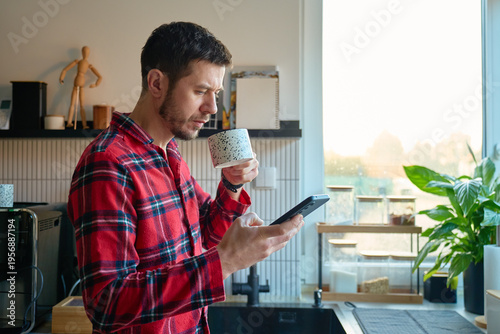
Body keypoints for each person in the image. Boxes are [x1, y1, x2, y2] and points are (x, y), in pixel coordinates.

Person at [67, 22, 304, 334]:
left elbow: (204, 235)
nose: (211, 108)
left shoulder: (170, 153)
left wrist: (232, 185)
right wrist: (226, 262)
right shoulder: (108, 164)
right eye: (200, 91)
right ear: (156, 83)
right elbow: (107, 303)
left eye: (216, 93)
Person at [59, 45, 102, 129]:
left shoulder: (89, 65)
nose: (86, 53)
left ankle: (84, 124)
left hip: (81, 85)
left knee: (82, 105)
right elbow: (65, 70)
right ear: (82, 53)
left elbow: (99, 77)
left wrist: (96, 84)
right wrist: (61, 78)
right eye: (84, 51)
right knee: (72, 103)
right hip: (76, 84)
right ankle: (69, 122)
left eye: (87, 52)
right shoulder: (77, 61)